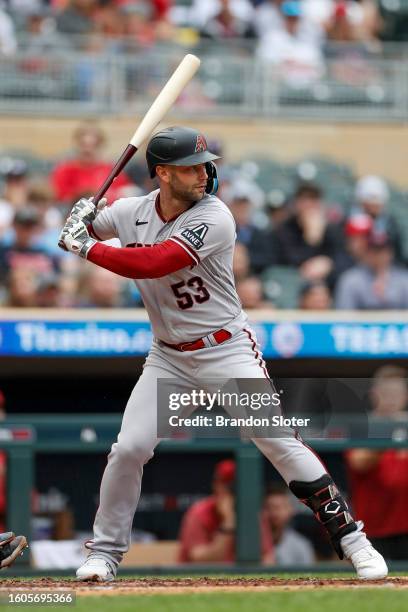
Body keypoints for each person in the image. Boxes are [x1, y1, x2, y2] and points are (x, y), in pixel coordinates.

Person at [58, 126, 387, 582]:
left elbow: (155, 261)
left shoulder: (215, 217)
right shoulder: (132, 211)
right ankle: (105, 554)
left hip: (225, 350)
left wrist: (87, 246)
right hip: (168, 358)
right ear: (163, 175)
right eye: (190, 167)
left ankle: (353, 540)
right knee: (129, 449)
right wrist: (81, 217)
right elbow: (85, 225)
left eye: (204, 164)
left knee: (275, 439)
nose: (204, 173)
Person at [345, 366, 408, 560]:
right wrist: (390, 431)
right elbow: (359, 461)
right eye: (386, 393)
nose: (391, 399)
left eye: (397, 393)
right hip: (374, 530)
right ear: (374, 394)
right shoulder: (363, 427)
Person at [51, 121, 131, 206]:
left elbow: (123, 194)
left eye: (94, 145)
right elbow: (59, 196)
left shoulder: (112, 170)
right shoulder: (65, 170)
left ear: (100, 145)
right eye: (83, 145)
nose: (87, 150)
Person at [178, 460, 236, 563]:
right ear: (215, 485)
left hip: (241, 578)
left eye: (233, 488)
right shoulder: (199, 512)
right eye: (224, 485)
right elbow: (199, 560)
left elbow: (267, 556)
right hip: (196, 578)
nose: (228, 492)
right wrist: (228, 522)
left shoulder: (252, 512)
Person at [335, 232, 408, 310]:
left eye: (381, 250)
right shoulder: (350, 279)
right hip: (360, 322)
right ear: (365, 252)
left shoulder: (403, 279)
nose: (377, 256)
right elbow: (344, 314)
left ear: (390, 253)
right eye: (373, 250)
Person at [261, 482, 315, 565]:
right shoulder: (251, 543)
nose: (274, 512)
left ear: (290, 510)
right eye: (269, 507)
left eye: (279, 507)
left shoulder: (301, 546)